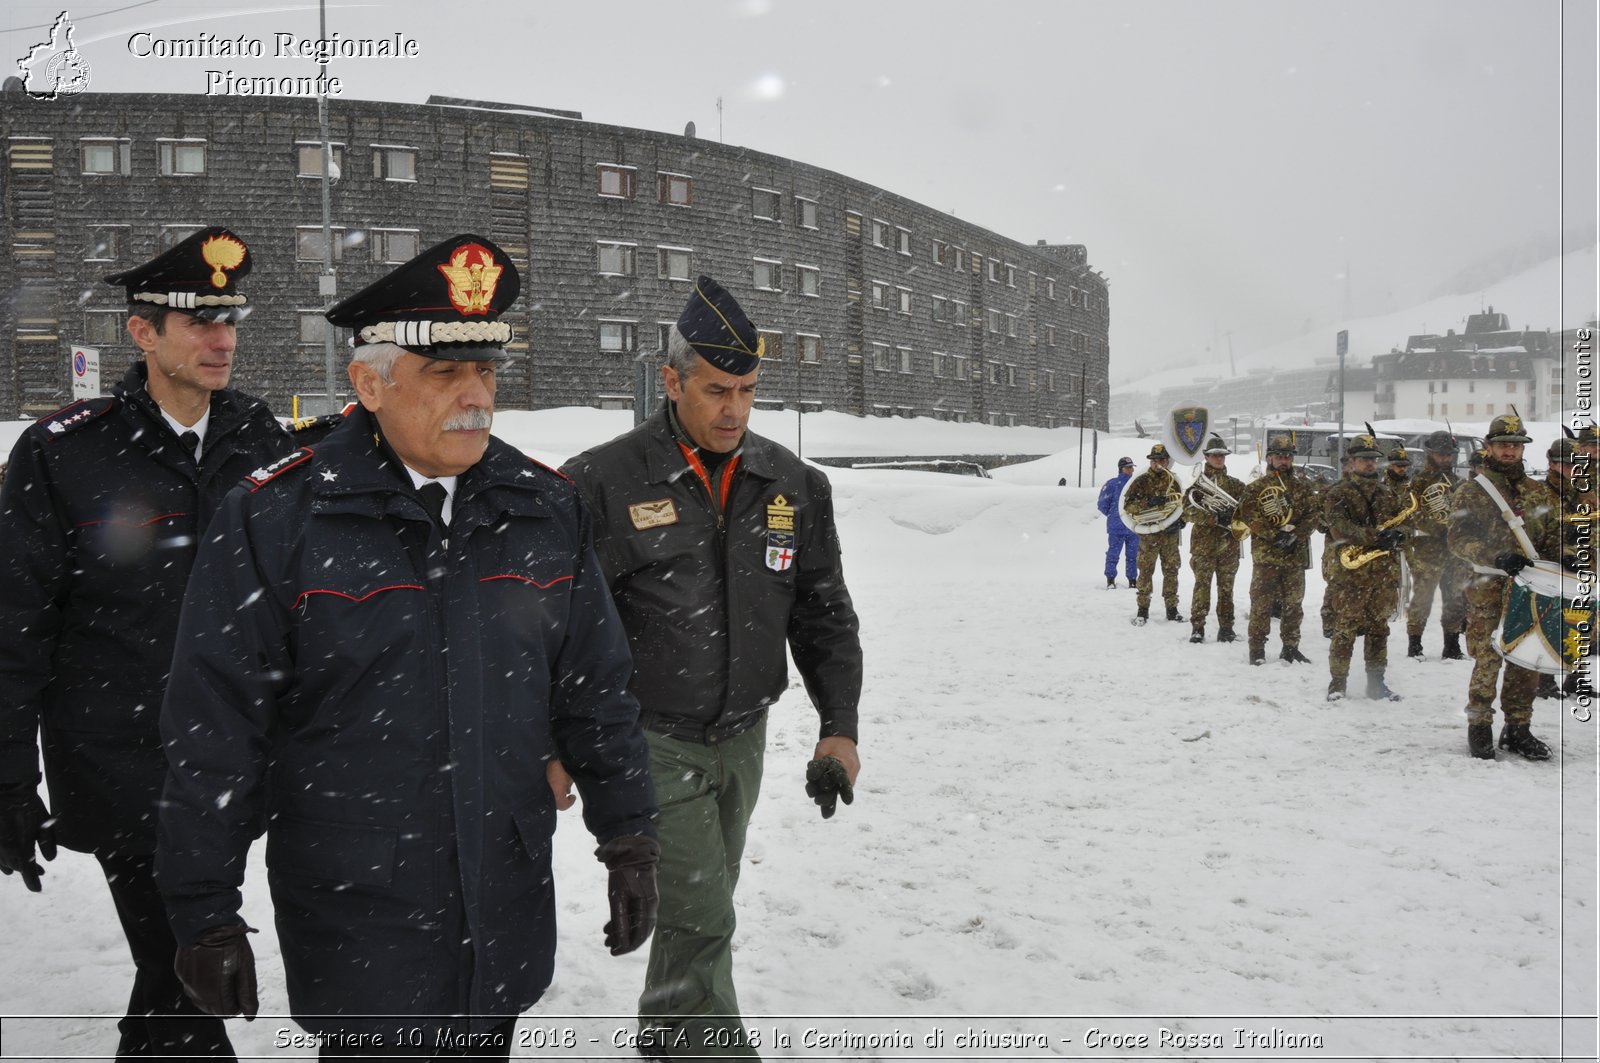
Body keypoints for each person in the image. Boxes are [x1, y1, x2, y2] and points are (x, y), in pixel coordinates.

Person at [155, 234, 659, 1057]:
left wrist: (630, 835)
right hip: (360, 905)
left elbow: (595, 688)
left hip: (502, 892)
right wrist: (203, 908)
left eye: (486, 371)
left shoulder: (545, 507)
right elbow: (215, 727)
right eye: (444, 372)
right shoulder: (279, 518)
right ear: (369, 384)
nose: (475, 398)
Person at [0, 228, 289, 1060]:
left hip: (236, 761)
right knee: (184, 963)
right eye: (197, 320)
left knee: (175, 973)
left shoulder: (260, 441)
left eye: (228, 318)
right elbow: (17, 623)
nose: (221, 338)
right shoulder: (65, 452)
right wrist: (10, 773)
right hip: (124, 762)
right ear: (142, 333)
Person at [561, 276, 862, 1061]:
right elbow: (553, 629)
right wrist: (550, 739)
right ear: (671, 380)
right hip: (649, 738)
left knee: (705, 899)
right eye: (716, 389)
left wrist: (839, 727)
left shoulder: (792, 483)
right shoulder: (602, 480)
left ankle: (665, 1035)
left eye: (749, 390)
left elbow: (823, 613)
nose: (733, 408)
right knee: (701, 912)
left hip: (744, 735)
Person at [1446, 414, 1563, 760]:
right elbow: (1457, 539)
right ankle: (1479, 726)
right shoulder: (1472, 491)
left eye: (1515, 445)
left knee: (1526, 661)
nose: (1510, 451)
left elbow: (1552, 538)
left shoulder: (1538, 491)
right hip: (1488, 587)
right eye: (1503, 445)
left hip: (1529, 592)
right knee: (1488, 658)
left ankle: (1518, 728)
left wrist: (1566, 556)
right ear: (1490, 447)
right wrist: (1496, 556)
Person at [1322, 431, 1407, 702]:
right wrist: (1376, 537)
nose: (1369, 464)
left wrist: (1400, 534)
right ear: (1352, 461)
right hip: (1351, 575)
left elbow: (1403, 522)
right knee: (1345, 629)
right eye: (1363, 459)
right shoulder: (1339, 493)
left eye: (1372, 459)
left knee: (1379, 630)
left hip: (1382, 574)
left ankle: (1376, 683)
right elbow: (1339, 529)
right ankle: (1338, 683)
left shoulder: (1388, 493)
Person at [1237, 433, 1319, 665]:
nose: (1284, 460)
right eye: (1279, 456)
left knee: (1294, 605)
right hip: (1267, 556)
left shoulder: (1302, 487)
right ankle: (1257, 650)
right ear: (1270, 459)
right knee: (1261, 605)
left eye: (1288, 456)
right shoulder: (1257, 487)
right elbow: (1248, 515)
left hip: (1294, 556)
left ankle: (1290, 647)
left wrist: (1295, 535)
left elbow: (1312, 516)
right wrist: (1274, 535)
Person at [1537, 433, 1595, 699]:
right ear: (1552, 464)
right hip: (1550, 568)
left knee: (1581, 622)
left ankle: (1576, 676)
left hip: (1581, 566)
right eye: (1567, 464)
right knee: (1549, 621)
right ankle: (1544, 679)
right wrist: (1564, 551)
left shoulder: (1583, 493)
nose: (1574, 470)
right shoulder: (1539, 494)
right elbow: (1536, 535)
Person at [1404, 431, 1468, 661]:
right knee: (1422, 597)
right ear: (1429, 453)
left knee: (1455, 598)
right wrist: (1438, 528)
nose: (1445, 459)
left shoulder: (1459, 482)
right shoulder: (1418, 482)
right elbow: (1412, 512)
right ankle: (1415, 645)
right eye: (1441, 454)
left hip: (1454, 550)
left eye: (1449, 455)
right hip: (1427, 548)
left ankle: (1451, 645)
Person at [1181, 435, 1245, 643]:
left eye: (1222, 456)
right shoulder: (1197, 485)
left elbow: (1248, 511)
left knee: (1227, 589)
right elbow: (1187, 510)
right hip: (1203, 545)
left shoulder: (1236, 485)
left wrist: (1234, 516)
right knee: (1202, 587)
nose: (1219, 459)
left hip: (1229, 545)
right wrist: (1213, 517)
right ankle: (1197, 628)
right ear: (1206, 457)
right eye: (1215, 456)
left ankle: (1226, 628)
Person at [1124, 443, 1186, 625]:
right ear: (1150, 462)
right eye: (1154, 461)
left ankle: (1172, 609)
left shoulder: (1174, 482)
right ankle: (1142, 610)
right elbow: (1128, 507)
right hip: (1149, 534)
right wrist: (1148, 502)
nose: (1158, 464)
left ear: (1167, 462)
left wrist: (1181, 519)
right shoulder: (1141, 481)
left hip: (1170, 535)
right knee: (1145, 572)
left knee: (1171, 571)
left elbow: (1182, 504)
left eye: (1162, 460)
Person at [1096, 456, 1139, 588]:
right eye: (1128, 467)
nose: (1131, 470)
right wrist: (1115, 515)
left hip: (1131, 526)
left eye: (1132, 467)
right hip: (1122, 527)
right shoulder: (1114, 484)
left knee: (1132, 555)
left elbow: (1103, 504)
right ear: (1121, 469)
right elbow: (1102, 504)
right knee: (1115, 554)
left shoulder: (1135, 483)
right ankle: (1111, 579)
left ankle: (1131, 580)